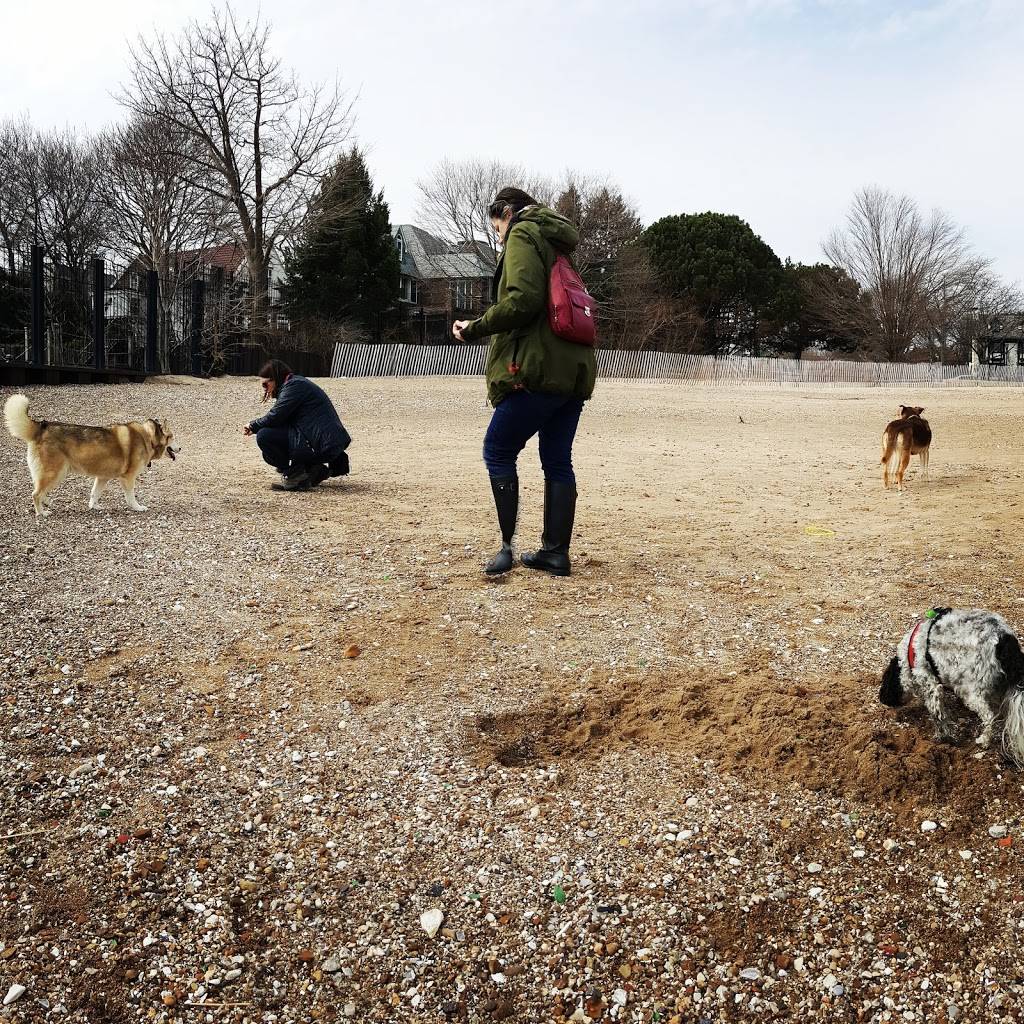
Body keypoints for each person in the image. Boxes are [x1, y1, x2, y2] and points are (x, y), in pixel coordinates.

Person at [454, 187, 597, 577]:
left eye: (496, 225)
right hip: (574, 371)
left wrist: (474, 327)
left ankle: (506, 547)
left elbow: (522, 300)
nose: (498, 235)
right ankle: (555, 552)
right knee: (556, 459)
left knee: (498, 449)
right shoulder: (556, 242)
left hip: (538, 368)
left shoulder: (522, 233)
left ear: (507, 213)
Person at [243, 359, 351, 491]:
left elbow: (276, 416)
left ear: (275, 379)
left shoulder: (294, 387)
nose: (265, 389)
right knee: (269, 450)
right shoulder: (296, 383)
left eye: (265, 385)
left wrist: (253, 426)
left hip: (321, 445)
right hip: (323, 443)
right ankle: (311, 470)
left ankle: (296, 475)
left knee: (265, 436)